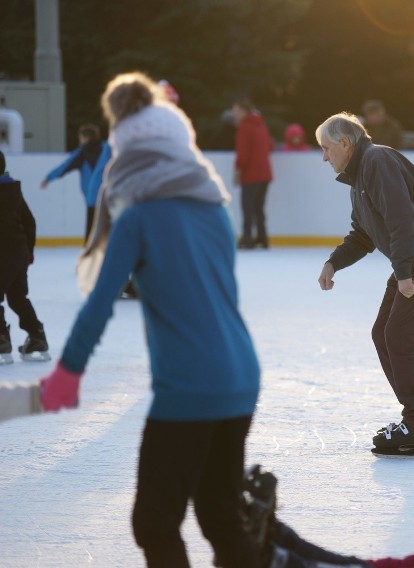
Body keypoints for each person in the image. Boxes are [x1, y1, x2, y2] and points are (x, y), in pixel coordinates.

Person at [38, 71, 262, 567]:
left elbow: (100, 305)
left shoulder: (138, 218)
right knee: (221, 516)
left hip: (189, 386)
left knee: (155, 521)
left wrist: (67, 372)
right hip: (242, 375)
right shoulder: (215, 208)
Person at [314, 111, 414, 457]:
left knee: (399, 336)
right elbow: (363, 235)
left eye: (325, 148)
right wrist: (334, 261)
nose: (323, 156)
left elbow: (403, 220)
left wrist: (405, 272)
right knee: (383, 333)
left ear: (345, 143)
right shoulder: (359, 178)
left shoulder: (377, 161)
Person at [0, 150, 50, 364]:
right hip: (18, 251)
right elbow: (30, 221)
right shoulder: (12, 191)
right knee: (17, 296)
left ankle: (1, 339)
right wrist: (28, 250)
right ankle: (37, 337)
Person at [40, 123, 106, 239]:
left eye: (80, 138)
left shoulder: (81, 153)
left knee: (91, 231)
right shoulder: (106, 149)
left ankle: (91, 252)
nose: (79, 140)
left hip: (92, 198)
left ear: (86, 138)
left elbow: (64, 167)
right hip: (108, 195)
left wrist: (48, 178)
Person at [233, 96, 274, 249]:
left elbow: (242, 154)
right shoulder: (261, 125)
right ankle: (262, 238)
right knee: (259, 208)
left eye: (236, 110)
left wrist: (238, 170)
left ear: (244, 111)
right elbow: (269, 145)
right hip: (265, 174)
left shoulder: (244, 127)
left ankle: (247, 239)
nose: (234, 113)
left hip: (251, 174)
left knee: (248, 208)